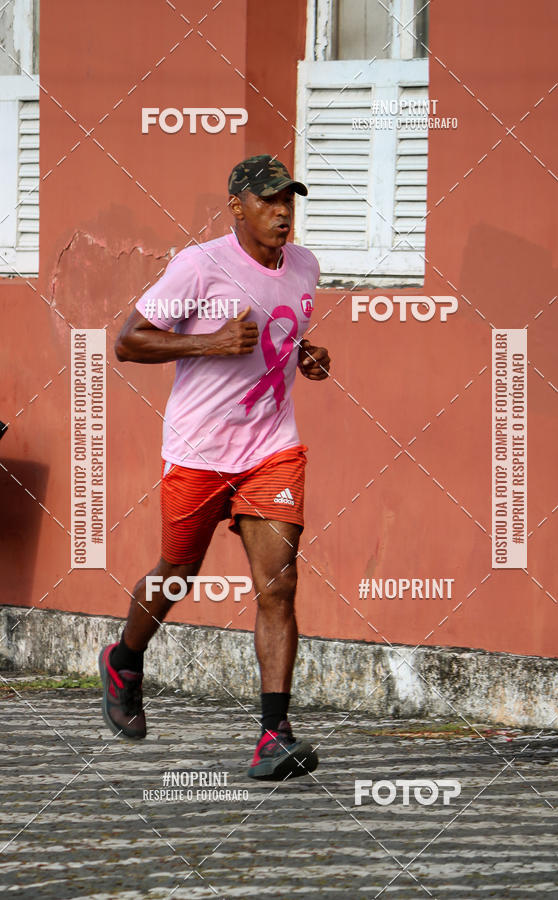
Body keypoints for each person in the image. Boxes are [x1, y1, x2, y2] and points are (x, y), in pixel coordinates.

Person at [98, 155, 330, 780]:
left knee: (278, 584)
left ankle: (273, 736)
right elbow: (127, 342)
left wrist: (306, 356)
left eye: (288, 200)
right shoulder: (199, 266)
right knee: (178, 574)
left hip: (272, 449)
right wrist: (209, 342)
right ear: (236, 206)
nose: (282, 212)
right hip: (198, 450)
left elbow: (283, 334)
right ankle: (124, 660)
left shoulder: (305, 265)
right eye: (269, 201)